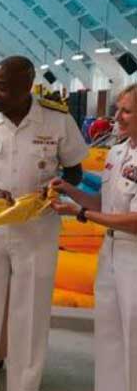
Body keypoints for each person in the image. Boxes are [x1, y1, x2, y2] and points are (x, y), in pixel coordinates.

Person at [0, 55, 87, 391]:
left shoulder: (56, 120)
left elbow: (74, 171)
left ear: (26, 88)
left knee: (32, 314)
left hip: (37, 228)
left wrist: (57, 187)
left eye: (2, 87)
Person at [50, 84, 137, 390]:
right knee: (110, 338)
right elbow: (103, 202)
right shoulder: (118, 152)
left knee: (133, 341)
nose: (117, 117)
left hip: (134, 257)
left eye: (126, 111)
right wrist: (71, 192)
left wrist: (80, 214)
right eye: (118, 109)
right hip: (110, 251)